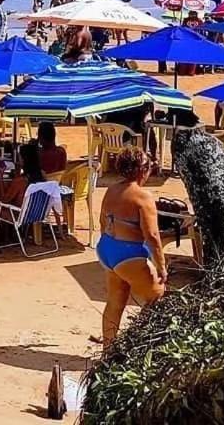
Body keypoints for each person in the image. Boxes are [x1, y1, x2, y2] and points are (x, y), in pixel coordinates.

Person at [97, 147, 166, 345]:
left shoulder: (111, 190)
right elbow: (152, 236)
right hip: (128, 254)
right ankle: (136, 345)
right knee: (156, 298)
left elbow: (103, 222)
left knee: (115, 302)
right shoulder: (143, 197)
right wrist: (161, 267)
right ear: (141, 170)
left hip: (107, 249)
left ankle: (108, 350)